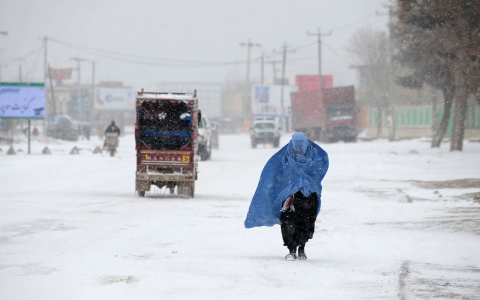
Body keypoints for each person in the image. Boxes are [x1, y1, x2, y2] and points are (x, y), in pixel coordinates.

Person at [244, 132, 329, 261]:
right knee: (289, 222)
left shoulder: (314, 154)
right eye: (297, 145)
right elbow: (274, 172)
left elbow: (319, 170)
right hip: (289, 196)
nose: (299, 148)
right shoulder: (285, 155)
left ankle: (301, 249)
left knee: (306, 222)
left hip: (309, 195)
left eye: (302, 145)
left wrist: (305, 162)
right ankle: (291, 249)